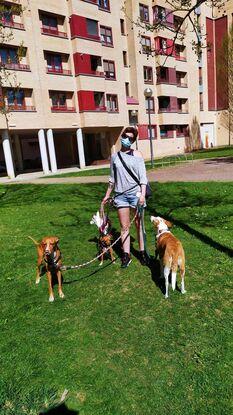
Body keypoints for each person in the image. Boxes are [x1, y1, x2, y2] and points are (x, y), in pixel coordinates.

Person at [102, 126, 149, 268]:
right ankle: (126, 255)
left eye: (130, 138)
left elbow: (143, 178)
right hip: (120, 196)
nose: (126, 140)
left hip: (136, 195)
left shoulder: (137, 155)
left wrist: (142, 195)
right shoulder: (115, 157)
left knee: (139, 225)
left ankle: (142, 253)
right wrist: (107, 196)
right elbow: (112, 179)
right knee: (124, 226)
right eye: (125, 136)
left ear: (133, 141)